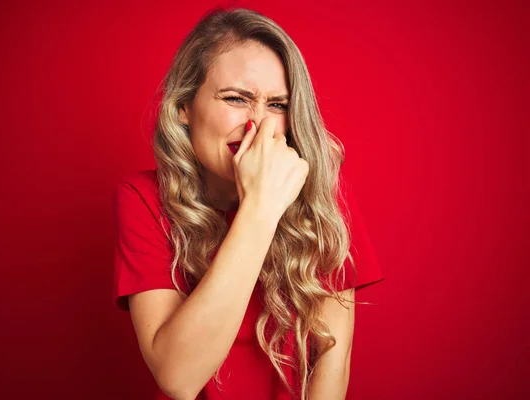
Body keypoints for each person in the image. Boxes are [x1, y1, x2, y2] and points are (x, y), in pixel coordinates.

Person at [113, 7, 383, 400]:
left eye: (277, 105)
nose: (258, 125)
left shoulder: (323, 191)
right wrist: (261, 207)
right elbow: (178, 377)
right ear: (183, 107)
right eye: (236, 98)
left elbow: (332, 360)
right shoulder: (142, 198)